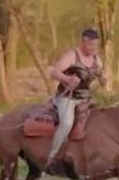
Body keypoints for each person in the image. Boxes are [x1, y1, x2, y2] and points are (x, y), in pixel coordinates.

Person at [45, 28, 106, 163]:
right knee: (67, 123)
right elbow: (54, 73)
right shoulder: (71, 56)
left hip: (85, 99)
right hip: (67, 98)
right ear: (83, 42)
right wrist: (67, 79)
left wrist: (102, 78)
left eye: (96, 45)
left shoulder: (97, 59)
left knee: (100, 121)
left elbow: (102, 80)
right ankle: (52, 155)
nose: (94, 48)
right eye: (91, 45)